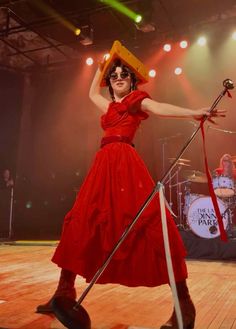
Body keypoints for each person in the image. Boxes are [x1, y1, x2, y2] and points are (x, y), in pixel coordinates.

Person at [36, 58, 225, 328]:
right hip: (102, 166)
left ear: (132, 80)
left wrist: (193, 111)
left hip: (125, 165)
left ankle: (184, 306)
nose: (119, 77)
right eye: (114, 75)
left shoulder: (136, 99)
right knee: (81, 221)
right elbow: (91, 93)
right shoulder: (110, 105)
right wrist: (103, 65)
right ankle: (63, 293)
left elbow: (158, 107)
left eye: (124, 74)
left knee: (150, 225)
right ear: (110, 82)